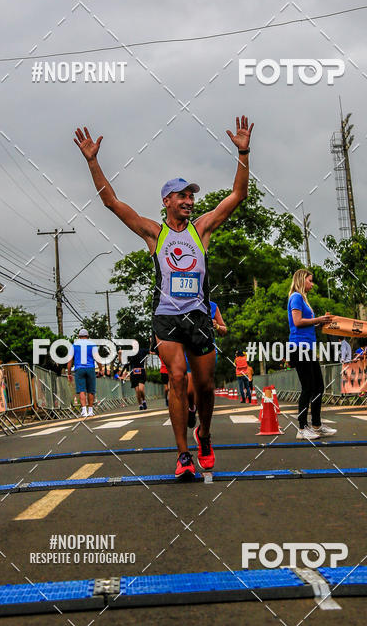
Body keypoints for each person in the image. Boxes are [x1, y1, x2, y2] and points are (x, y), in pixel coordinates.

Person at [75, 114, 253, 480]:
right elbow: (111, 202)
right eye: (183, 195)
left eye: (192, 196)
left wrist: (244, 153)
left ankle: (204, 434)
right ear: (167, 201)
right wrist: (93, 161)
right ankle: (183, 454)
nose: (190, 201)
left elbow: (238, 196)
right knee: (176, 377)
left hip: (198, 316)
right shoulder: (153, 233)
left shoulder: (201, 229)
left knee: (203, 386)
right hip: (167, 317)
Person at [287, 269, 337, 440]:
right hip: (299, 348)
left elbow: (306, 324)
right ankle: (301, 428)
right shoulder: (296, 297)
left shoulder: (303, 300)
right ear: (302, 280)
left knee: (318, 387)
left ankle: (316, 424)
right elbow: (297, 322)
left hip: (308, 348)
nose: (312, 284)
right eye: (310, 280)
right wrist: (319, 320)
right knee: (308, 388)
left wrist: (321, 323)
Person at [186, 300, 227, 428]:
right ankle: (192, 408)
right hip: (188, 349)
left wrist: (217, 326)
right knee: (190, 391)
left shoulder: (213, 306)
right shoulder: (182, 304)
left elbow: (224, 330)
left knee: (204, 388)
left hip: (207, 350)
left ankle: (204, 428)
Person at [68, 328, 98, 417]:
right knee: (91, 390)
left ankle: (84, 411)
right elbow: (97, 358)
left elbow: (69, 360)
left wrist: (69, 373)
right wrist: (100, 369)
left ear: (79, 336)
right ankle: (91, 410)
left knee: (81, 390)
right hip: (90, 368)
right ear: (87, 336)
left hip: (79, 369)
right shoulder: (92, 345)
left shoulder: (74, 345)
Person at [122, 344, 149, 410]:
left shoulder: (142, 351)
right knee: (137, 391)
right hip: (134, 373)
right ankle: (140, 404)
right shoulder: (130, 353)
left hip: (141, 372)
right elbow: (126, 362)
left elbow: (151, 351)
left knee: (141, 389)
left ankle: (144, 401)